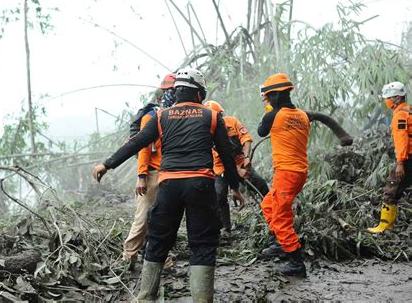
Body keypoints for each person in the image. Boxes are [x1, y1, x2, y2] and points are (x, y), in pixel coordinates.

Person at [92, 68, 246, 301]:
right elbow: (226, 156)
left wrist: (107, 164)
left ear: (176, 92)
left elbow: (137, 142)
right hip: (201, 185)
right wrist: (234, 187)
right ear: (199, 94)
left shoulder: (161, 116)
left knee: (158, 241)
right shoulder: (212, 117)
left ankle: (145, 298)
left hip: (169, 186)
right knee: (202, 243)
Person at [257, 73, 310, 278]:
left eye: (269, 98)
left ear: (276, 96)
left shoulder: (273, 115)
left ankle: (297, 263)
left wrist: (269, 111)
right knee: (268, 205)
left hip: (287, 173)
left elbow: (262, 131)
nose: (267, 101)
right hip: (299, 172)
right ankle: (282, 242)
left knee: (280, 217)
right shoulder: (303, 115)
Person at [123, 74, 176, 269]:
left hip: (170, 174)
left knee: (164, 220)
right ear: (163, 95)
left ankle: (166, 261)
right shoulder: (151, 117)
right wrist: (142, 177)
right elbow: (144, 148)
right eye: (171, 91)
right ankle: (129, 256)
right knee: (143, 217)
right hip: (153, 174)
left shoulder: (176, 116)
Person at [204, 100, 269, 237]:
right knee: (219, 195)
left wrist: (246, 159)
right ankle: (225, 228)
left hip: (240, 162)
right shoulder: (206, 132)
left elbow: (246, 139)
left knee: (261, 185)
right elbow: (223, 158)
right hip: (221, 169)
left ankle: (272, 217)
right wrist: (236, 172)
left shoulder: (232, 122)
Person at [367, 81, 411, 233]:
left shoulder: (400, 115)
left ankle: (385, 226)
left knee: (391, 190)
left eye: (390, 98)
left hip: (407, 159)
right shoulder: (408, 111)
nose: (387, 101)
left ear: (398, 98)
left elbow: (402, 140)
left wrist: (400, 162)